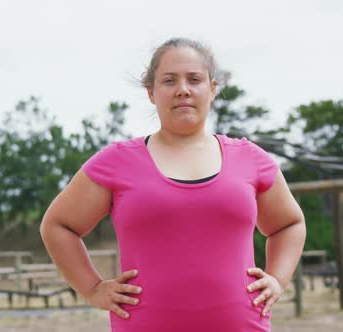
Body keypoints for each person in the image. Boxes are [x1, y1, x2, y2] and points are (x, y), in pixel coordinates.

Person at [40, 37, 306, 332]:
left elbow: (289, 224)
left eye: (194, 79)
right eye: (169, 81)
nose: (183, 90)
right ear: (151, 92)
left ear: (212, 89)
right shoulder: (116, 162)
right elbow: (58, 225)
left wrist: (278, 280)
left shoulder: (250, 159)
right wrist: (92, 288)